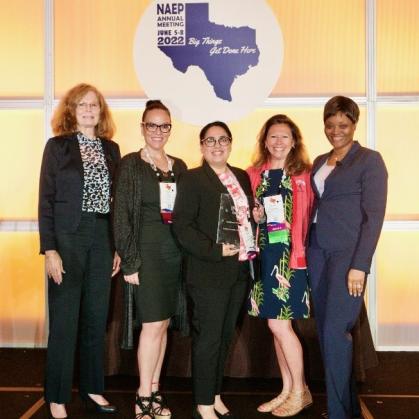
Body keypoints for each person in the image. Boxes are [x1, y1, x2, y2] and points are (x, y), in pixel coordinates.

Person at [38, 83, 121, 418]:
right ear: (71, 111)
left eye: (94, 105)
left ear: (101, 112)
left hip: (102, 236)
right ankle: (56, 395)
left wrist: (116, 245)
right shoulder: (57, 147)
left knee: (95, 319)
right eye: (81, 105)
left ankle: (92, 388)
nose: (89, 110)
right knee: (64, 319)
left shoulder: (112, 149)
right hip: (68, 238)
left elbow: (116, 203)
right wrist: (50, 250)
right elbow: (45, 201)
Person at [307, 96, 387, 419]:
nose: (335, 130)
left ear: (354, 125)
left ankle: (339, 412)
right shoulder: (318, 161)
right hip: (316, 253)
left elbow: (374, 216)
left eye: (343, 124)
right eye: (330, 124)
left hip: (347, 257)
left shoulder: (369, 161)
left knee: (334, 332)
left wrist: (360, 265)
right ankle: (348, 408)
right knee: (325, 333)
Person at [173, 121, 255, 419]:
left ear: (231, 143)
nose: (217, 145)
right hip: (208, 272)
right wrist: (214, 249)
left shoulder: (242, 177)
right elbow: (182, 226)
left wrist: (255, 215)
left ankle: (215, 392)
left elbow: (245, 219)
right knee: (208, 338)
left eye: (223, 140)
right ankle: (203, 402)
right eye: (210, 141)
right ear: (202, 146)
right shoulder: (192, 179)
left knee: (224, 336)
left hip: (238, 271)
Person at [113, 100, 187, 419]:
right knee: (152, 324)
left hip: (174, 255)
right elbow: (121, 216)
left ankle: (155, 388)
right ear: (142, 127)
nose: (158, 131)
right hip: (146, 253)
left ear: (170, 128)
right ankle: (143, 395)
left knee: (164, 324)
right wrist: (129, 261)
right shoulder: (131, 164)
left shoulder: (180, 166)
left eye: (164, 125)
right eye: (152, 125)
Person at [246, 114, 314, 417]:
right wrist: (257, 218)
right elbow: (248, 214)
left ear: (294, 141)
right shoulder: (253, 173)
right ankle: (287, 390)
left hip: (291, 257)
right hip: (265, 255)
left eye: (284, 136)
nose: (278, 142)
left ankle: (300, 391)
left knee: (279, 324)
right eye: (273, 136)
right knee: (275, 324)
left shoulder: (305, 175)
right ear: (264, 140)